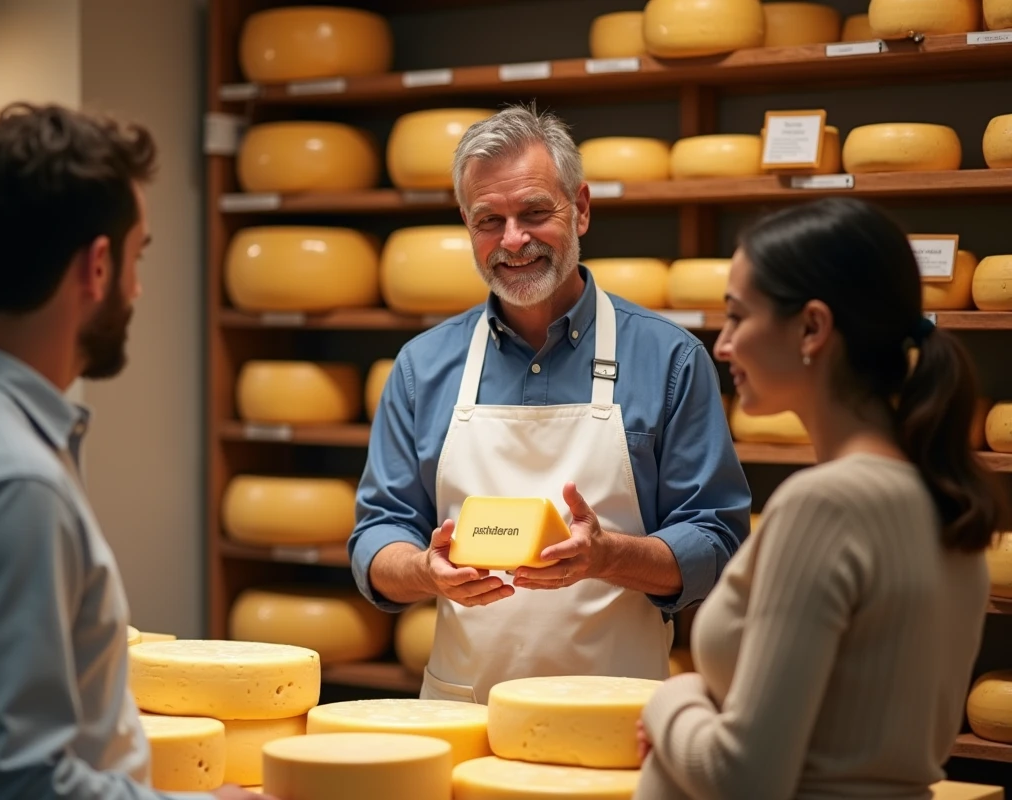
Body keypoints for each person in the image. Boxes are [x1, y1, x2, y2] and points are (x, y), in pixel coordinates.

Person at [0, 103, 272, 800]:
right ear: (98, 266)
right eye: (137, 258)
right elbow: (15, 783)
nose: (137, 287)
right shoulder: (11, 483)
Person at [349, 103, 751, 704]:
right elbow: (376, 535)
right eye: (490, 220)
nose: (513, 240)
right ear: (467, 223)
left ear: (581, 207)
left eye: (535, 213)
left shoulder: (671, 360)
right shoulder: (422, 367)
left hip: (614, 710)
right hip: (465, 711)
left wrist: (606, 555)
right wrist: (422, 570)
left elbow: (717, 541)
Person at [635, 197, 1008, 799]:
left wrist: (671, 701)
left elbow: (744, 780)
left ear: (812, 327)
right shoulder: (944, 495)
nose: (723, 345)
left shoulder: (825, 505)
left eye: (737, 317)